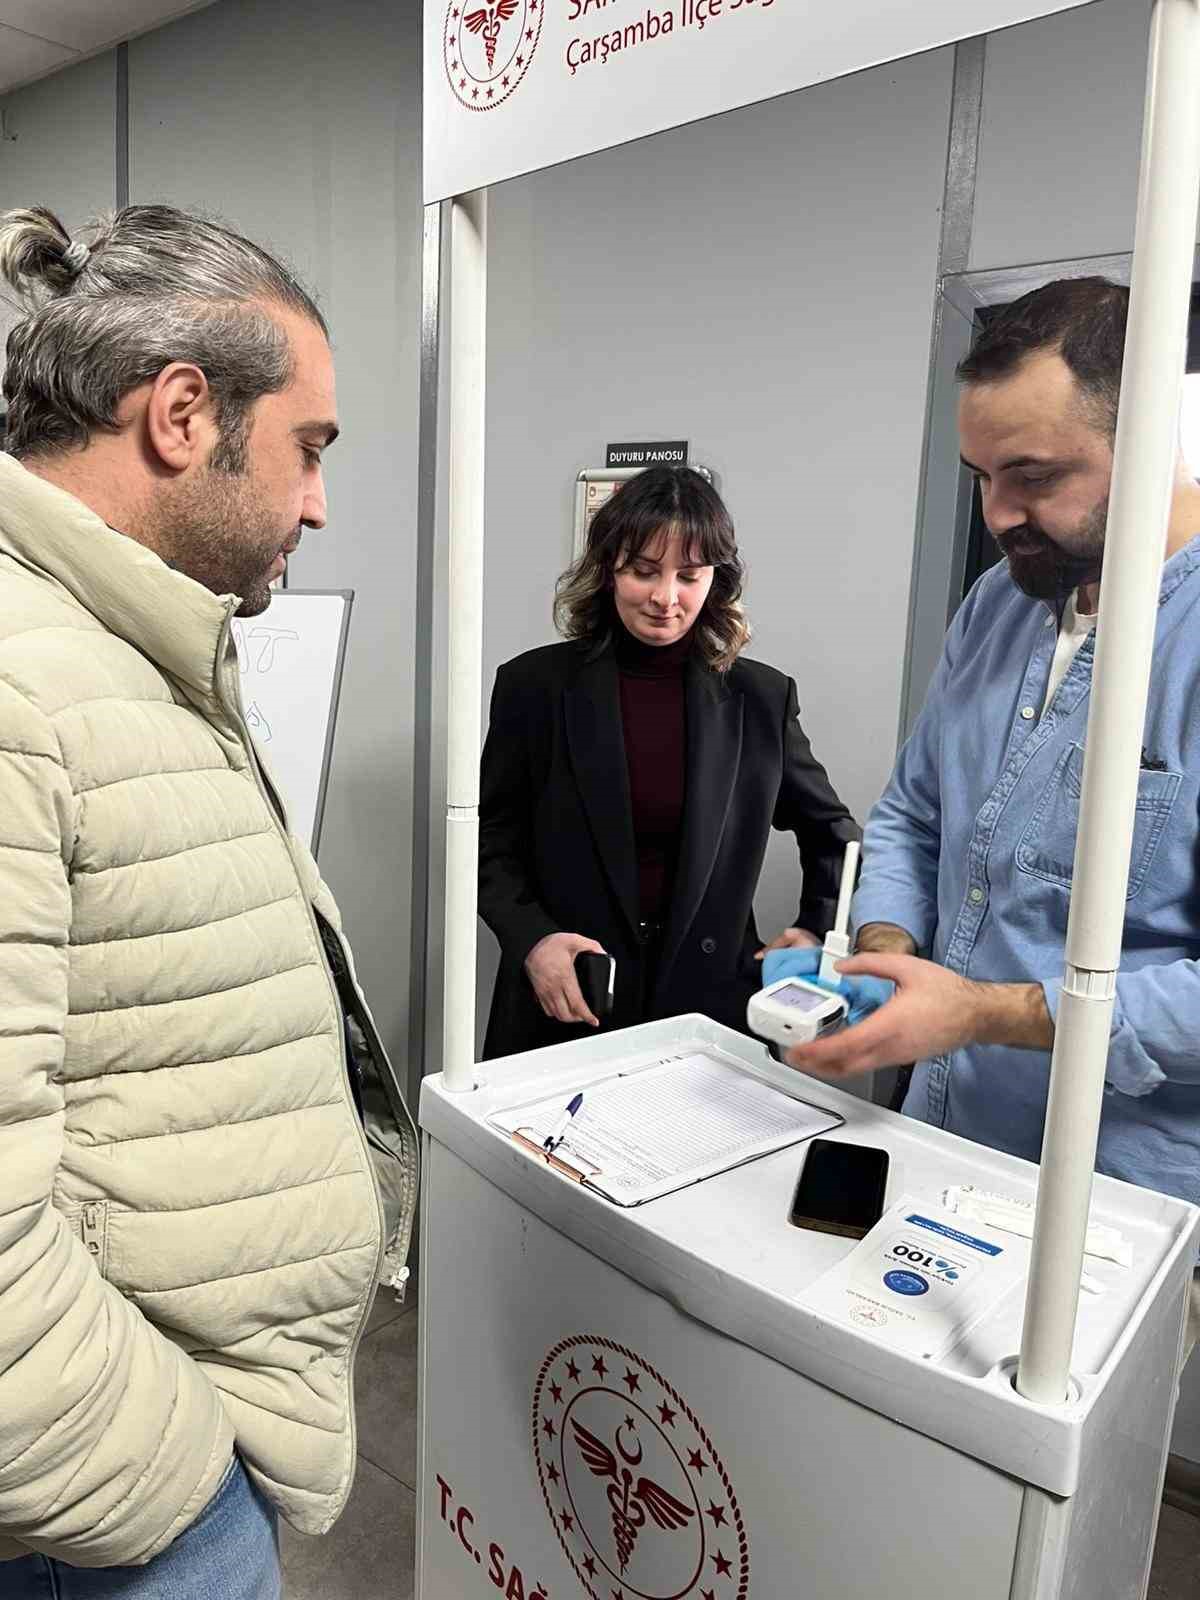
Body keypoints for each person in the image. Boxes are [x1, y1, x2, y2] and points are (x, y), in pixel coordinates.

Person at [0, 205, 418, 1597]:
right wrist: (183, 1492)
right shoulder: (20, 683)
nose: (319, 501)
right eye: (312, 447)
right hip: (115, 1513)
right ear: (183, 415)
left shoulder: (124, 643)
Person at [779, 277, 1200, 1339]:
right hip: (944, 1143)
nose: (999, 515)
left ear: (1154, 432)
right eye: (981, 477)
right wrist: (883, 954)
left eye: (1035, 476)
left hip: (1120, 1200)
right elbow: (915, 811)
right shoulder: (1000, 604)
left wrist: (980, 1011)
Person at [478, 464, 860, 1058]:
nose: (666, 597)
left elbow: (836, 835)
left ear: (716, 580)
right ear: (608, 569)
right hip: (570, 999)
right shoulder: (533, 687)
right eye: (643, 571)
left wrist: (816, 930)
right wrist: (532, 941)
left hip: (711, 1010)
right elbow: (488, 844)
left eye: (689, 575)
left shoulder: (761, 698)